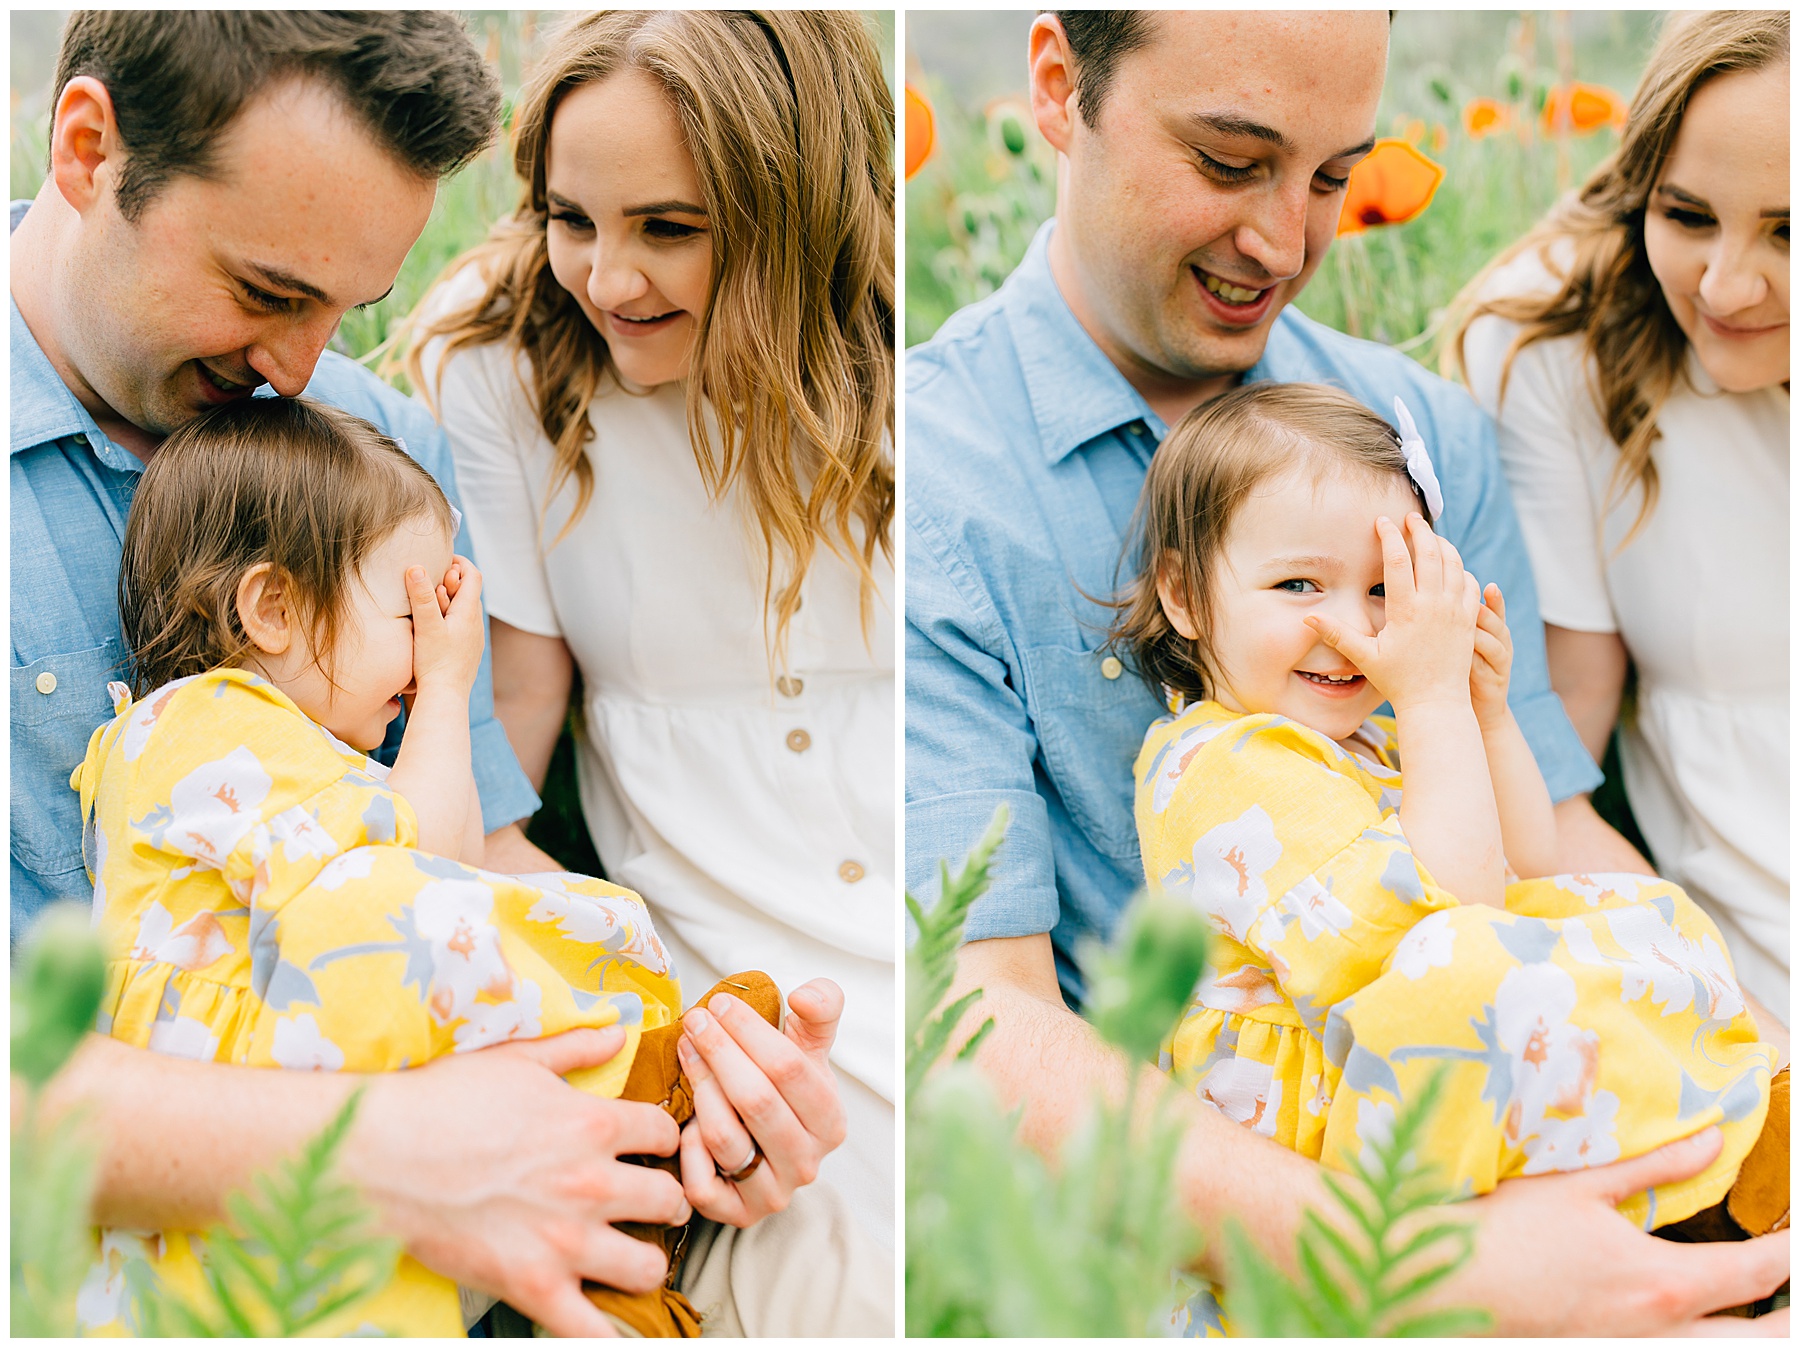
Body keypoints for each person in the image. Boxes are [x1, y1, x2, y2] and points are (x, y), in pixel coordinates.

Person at [905, 9, 1790, 1332]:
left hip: (1512, 1110)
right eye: (1229, 160)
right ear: (1056, 85)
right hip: (1210, 1213)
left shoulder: (1421, 432)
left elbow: (1544, 828)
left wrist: (1736, 1062)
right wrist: (1424, 1261)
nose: (1287, 243)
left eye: (1332, 175)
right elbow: (975, 1021)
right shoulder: (927, 471)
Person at [12, 12, 851, 1336]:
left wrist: (685, 1063)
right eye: (270, 290)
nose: (299, 371)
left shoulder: (374, 450)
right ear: (88, 148)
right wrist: (373, 1156)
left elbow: (471, 856)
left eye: (351, 310)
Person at [405, 10, 896, 1252]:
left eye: (669, 229)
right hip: (716, 966)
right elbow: (513, 727)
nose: (607, 280)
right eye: (572, 219)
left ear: (795, 212)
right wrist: (637, 1012)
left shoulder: (903, 364)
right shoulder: (506, 365)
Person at [74, 396, 691, 1335]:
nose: (434, 644)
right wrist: (447, 686)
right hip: (249, 1160)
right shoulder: (212, 726)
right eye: (414, 611)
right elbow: (424, 882)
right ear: (274, 609)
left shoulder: (256, 755)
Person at [1114, 382, 1776, 1253]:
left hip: (1411, 1069)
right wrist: (1430, 701)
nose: (1352, 628)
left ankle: (1718, 1146)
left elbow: (1529, 861)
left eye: (1387, 589)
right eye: (1299, 583)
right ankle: (1690, 1184)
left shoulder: (1367, 735)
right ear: (1185, 597)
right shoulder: (1220, 765)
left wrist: (1481, 710)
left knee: (1628, 906)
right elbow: (1447, 927)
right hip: (1327, 1138)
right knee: (1475, 966)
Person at [1451, 11, 1790, 1026]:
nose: (1725, 286)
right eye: (1686, 215)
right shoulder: (1565, 348)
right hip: (1754, 992)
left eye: (1793, 230)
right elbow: (1561, 741)